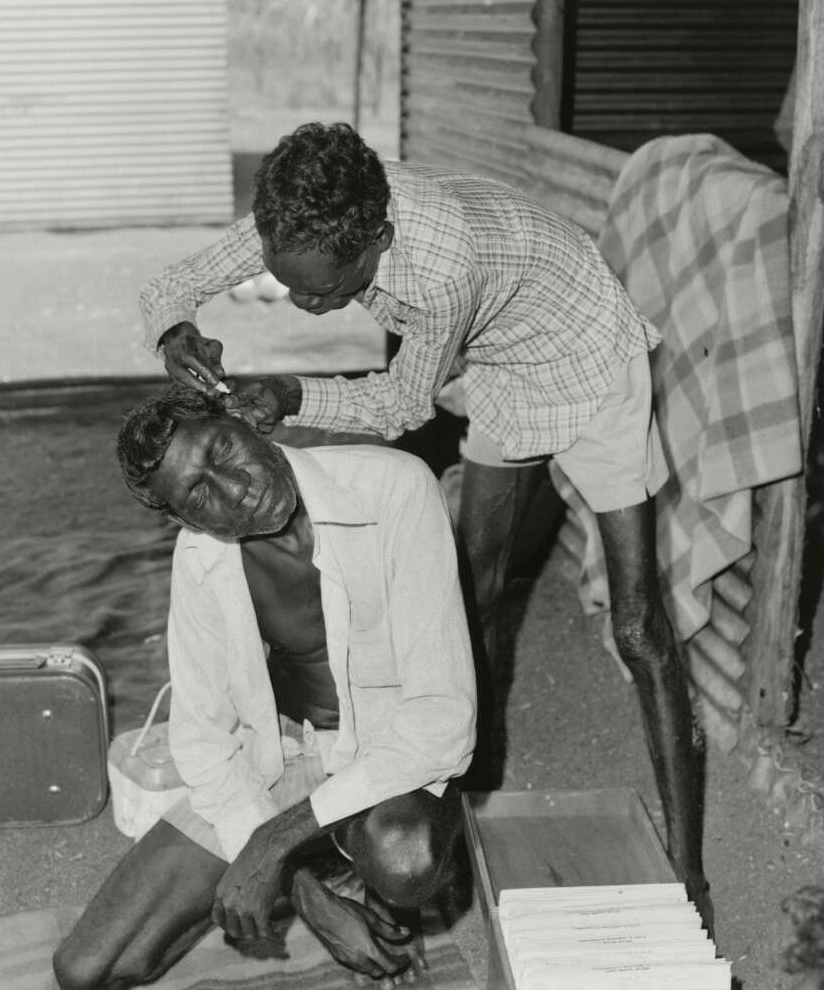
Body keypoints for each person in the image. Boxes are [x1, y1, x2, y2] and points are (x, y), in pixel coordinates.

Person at [137, 121, 714, 931]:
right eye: (285, 283)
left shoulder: (442, 266)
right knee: (470, 591)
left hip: (584, 352)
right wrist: (175, 333)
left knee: (638, 625)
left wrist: (295, 394)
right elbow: (171, 285)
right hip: (498, 364)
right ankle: (443, 808)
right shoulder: (304, 212)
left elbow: (401, 408)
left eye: (320, 289)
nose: (302, 304)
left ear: (377, 239)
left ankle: (689, 873)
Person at [52, 383, 477, 990]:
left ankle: (362, 865)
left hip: (387, 754)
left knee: (405, 860)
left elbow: (442, 717)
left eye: (223, 450)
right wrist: (297, 888)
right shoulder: (198, 559)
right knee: (85, 971)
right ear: (181, 518)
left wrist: (272, 840)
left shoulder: (394, 488)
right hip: (277, 760)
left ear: (248, 422)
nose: (235, 488)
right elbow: (202, 737)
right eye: (199, 493)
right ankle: (322, 866)